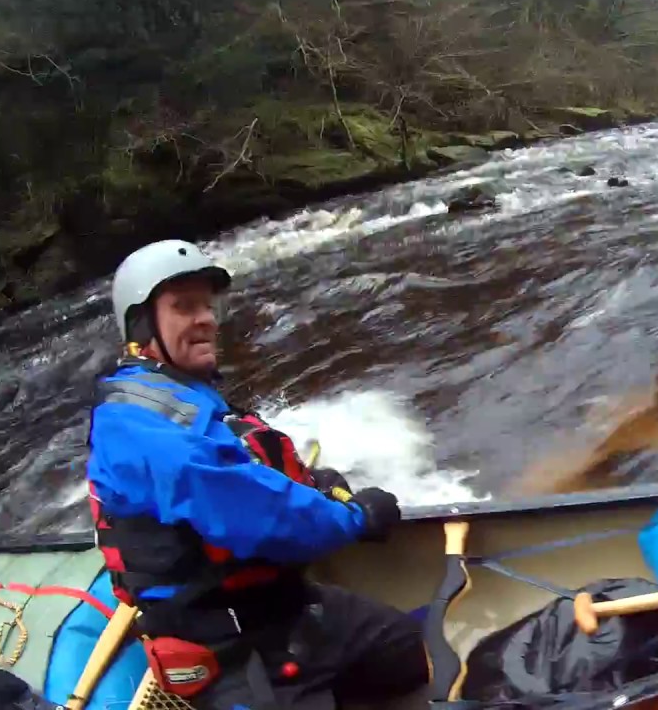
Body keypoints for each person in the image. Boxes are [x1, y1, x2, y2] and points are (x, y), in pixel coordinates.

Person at [85, 239, 429, 709]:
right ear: (141, 326)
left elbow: (250, 468)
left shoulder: (187, 397)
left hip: (291, 613)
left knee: (411, 652)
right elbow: (248, 508)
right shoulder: (132, 427)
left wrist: (316, 486)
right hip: (231, 653)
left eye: (207, 305)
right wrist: (354, 518)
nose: (205, 318)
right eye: (184, 307)